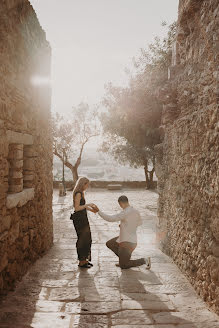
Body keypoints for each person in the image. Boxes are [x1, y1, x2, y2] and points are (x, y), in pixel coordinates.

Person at [93, 195, 151, 270]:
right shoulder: (136, 211)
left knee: (124, 265)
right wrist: (126, 225)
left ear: (120, 203)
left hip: (127, 242)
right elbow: (139, 223)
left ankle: (144, 260)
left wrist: (98, 211)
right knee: (110, 243)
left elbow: (110, 218)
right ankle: (123, 259)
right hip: (129, 239)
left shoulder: (125, 213)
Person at [72, 177, 96, 268]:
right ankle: (81, 262)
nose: (88, 186)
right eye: (87, 184)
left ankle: (84, 260)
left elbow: (82, 206)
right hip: (79, 219)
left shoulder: (81, 193)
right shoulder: (78, 193)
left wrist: (91, 209)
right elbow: (77, 208)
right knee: (82, 239)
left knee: (87, 239)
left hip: (83, 218)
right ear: (83, 184)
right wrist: (87, 204)